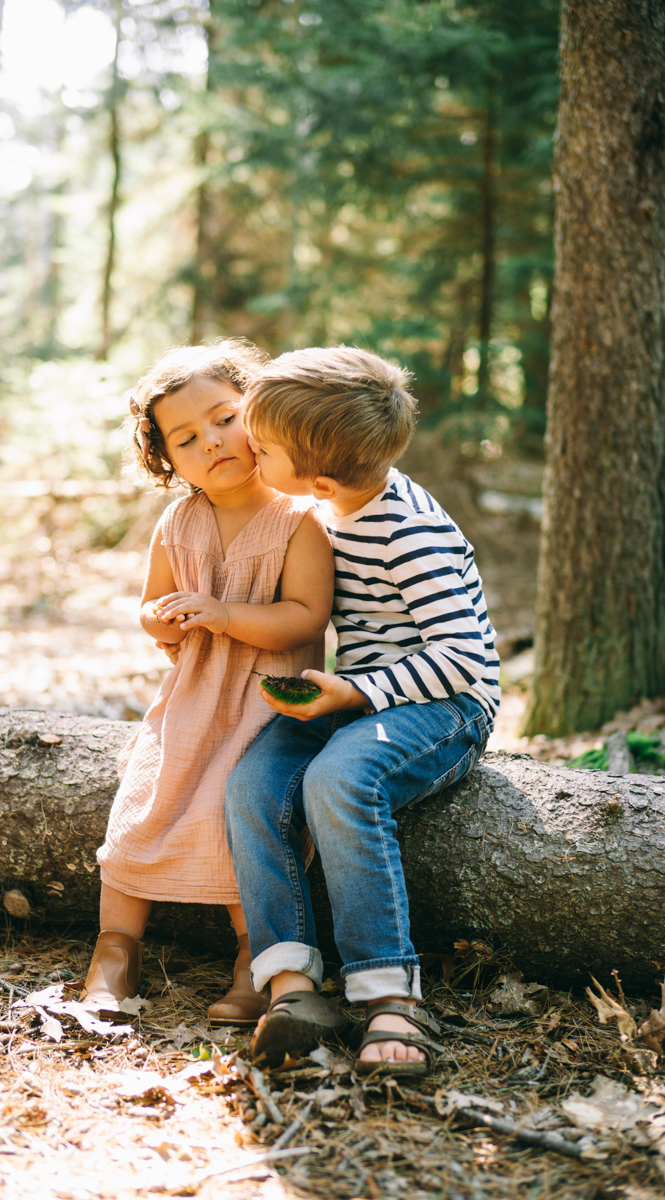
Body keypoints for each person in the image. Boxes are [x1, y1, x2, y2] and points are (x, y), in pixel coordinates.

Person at [225, 346, 500, 1073]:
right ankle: (292, 985)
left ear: (316, 477)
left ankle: (390, 995)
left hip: (446, 707)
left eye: (263, 447)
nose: (249, 451)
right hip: (365, 694)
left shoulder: (409, 531)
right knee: (252, 782)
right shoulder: (326, 505)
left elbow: (463, 657)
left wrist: (355, 693)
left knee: (339, 780)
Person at [79, 340, 333, 1028]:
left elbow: (304, 618)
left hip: (268, 699)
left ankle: (259, 958)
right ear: (167, 459)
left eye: (225, 419)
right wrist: (161, 621)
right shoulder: (178, 522)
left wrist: (224, 614)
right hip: (194, 695)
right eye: (187, 438)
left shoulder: (299, 518)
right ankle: (114, 953)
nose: (213, 442)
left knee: (236, 812)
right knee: (142, 799)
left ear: (257, 412)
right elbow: (150, 602)